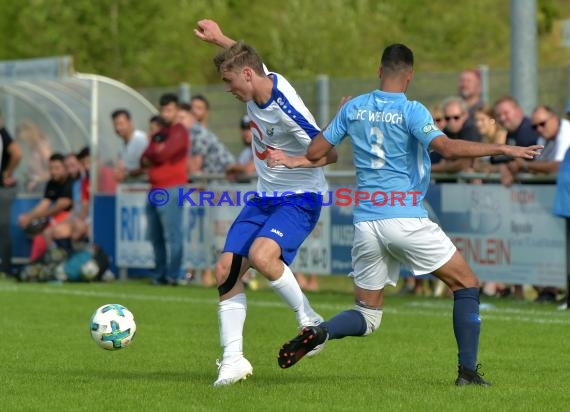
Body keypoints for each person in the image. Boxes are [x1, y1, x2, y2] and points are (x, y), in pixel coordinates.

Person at [271, 43, 542, 386]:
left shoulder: (354, 107)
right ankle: (468, 372)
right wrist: (503, 147)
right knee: (467, 284)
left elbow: (314, 152)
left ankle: (320, 331)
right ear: (409, 75)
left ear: (379, 70)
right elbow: (445, 147)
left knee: (367, 315)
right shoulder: (412, 110)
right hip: (404, 217)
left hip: (367, 222)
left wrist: (338, 118)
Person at [194, 19, 337, 386]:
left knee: (261, 256)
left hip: (300, 199)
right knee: (225, 269)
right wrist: (219, 39)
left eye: (228, 82)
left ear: (245, 75)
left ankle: (309, 319)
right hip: (264, 198)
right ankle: (233, 360)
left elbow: (329, 153)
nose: (227, 89)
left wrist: (293, 161)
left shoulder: (286, 107)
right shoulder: (258, 77)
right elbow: (249, 57)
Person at [141, 93, 189, 285]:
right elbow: (144, 157)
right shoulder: (160, 133)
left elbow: (164, 154)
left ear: (177, 111)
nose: (165, 113)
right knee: (155, 236)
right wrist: (156, 151)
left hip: (171, 188)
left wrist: (155, 151)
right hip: (154, 189)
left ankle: (174, 274)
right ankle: (160, 274)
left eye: (169, 110)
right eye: (163, 110)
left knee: (173, 234)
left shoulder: (179, 131)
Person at [18, 153, 73, 262]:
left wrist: (31, 217)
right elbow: (44, 204)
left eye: (57, 168)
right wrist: (28, 216)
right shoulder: (52, 183)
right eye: (51, 168)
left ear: (65, 168)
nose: (53, 172)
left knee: (48, 232)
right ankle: (36, 266)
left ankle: (61, 262)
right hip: (56, 219)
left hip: (69, 218)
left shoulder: (70, 183)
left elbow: (58, 208)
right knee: (38, 238)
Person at [431, 96, 481, 173]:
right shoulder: (446, 132)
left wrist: (430, 169)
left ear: (465, 115)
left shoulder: (470, 131)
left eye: (456, 117)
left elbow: (463, 164)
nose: (452, 122)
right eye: (447, 118)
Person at [0, 110, 23, 276]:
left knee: (3, 229)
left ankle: (6, 268)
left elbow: (17, 153)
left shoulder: (3, 135)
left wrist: (7, 173)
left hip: (2, 190)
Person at [111, 109, 148, 182]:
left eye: (121, 124)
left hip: (144, 187)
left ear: (130, 122)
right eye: (115, 124)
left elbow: (148, 167)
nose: (118, 128)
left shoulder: (140, 140)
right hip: (129, 188)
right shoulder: (122, 147)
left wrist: (127, 174)